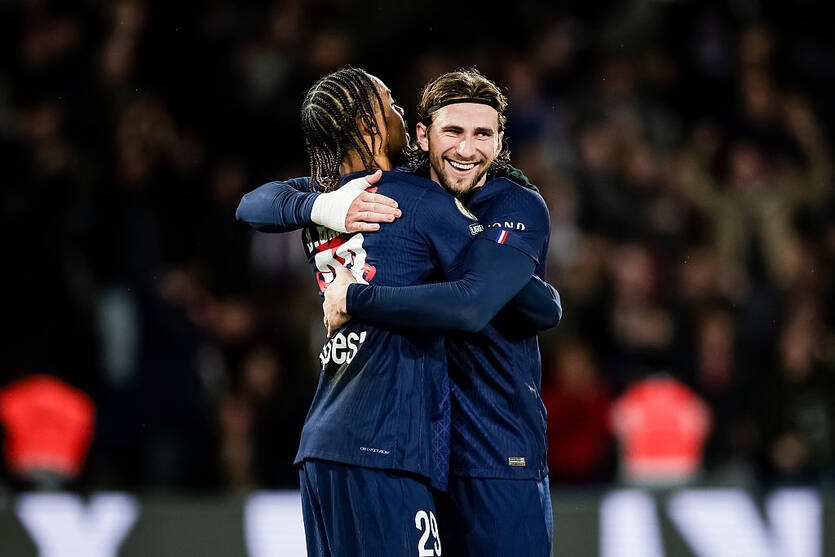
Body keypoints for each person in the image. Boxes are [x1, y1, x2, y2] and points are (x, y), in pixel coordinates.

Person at [235, 67, 561, 556]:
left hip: (495, 451)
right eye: (453, 131)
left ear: (499, 142)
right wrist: (322, 207)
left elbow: (522, 306)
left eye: (482, 134)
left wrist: (355, 298)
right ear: (423, 136)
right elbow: (253, 204)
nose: (467, 148)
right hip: (414, 446)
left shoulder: (516, 202)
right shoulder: (381, 192)